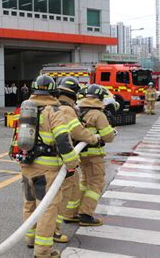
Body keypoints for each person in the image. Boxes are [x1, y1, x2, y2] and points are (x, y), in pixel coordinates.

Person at [10, 75, 78, 258]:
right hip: (47, 169)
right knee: (48, 208)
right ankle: (43, 251)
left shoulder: (25, 109)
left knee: (29, 203)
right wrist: (72, 163)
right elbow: (63, 140)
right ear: (53, 91)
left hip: (26, 165)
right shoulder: (53, 111)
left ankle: (30, 239)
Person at [54, 77, 99, 243]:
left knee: (73, 185)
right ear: (73, 94)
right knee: (63, 192)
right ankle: (53, 230)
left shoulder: (56, 106)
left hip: (58, 158)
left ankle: (69, 215)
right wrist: (94, 138)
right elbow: (77, 131)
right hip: (62, 159)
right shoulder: (67, 110)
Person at [69, 84, 115, 226]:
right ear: (100, 98)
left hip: (82, 155)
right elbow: (108, 137)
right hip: (94, 156)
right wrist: (112, 132)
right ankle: (86, 214)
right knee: (96, 183)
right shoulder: (98, 114)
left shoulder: (79, 112)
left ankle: (72, 213)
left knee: (84, 182)